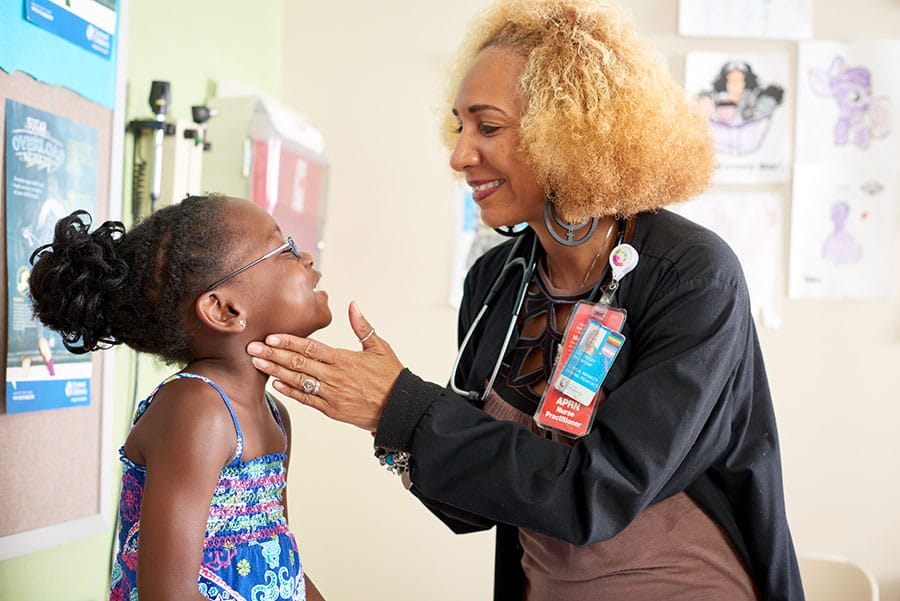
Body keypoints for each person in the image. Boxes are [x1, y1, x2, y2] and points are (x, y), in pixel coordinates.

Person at [247, 1, 804, 599]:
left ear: (571, 134)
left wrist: (400, 406)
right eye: (460, 127)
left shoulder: (692, 277)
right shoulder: (495, 280)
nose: (460, 155)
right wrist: (388, 422)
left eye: (488, 127)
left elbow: (597, 493)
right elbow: (474, 507)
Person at [28, 195, 329, 601]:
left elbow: (282, 558)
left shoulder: (276, 417)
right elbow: (169, 594)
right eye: (284, 249)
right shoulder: (197, 410)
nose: (306, 257)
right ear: (224, 309)